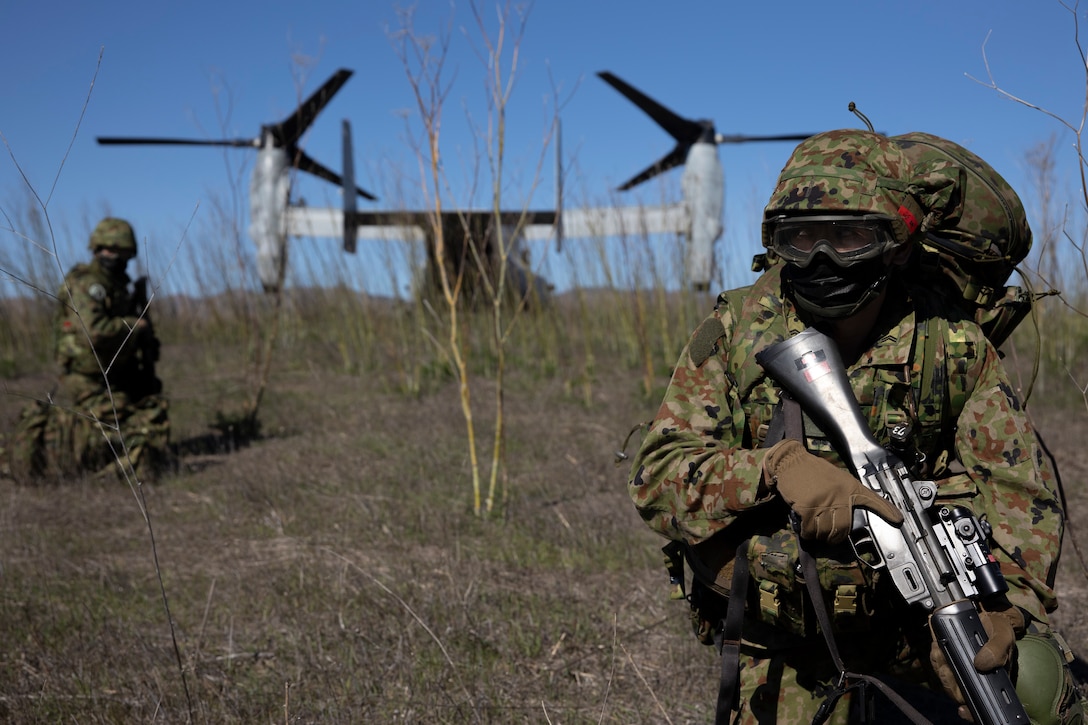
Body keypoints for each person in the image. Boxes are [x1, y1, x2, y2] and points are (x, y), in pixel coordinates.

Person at [628, 129, 1083, 723]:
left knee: (1039, 693)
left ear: (895, 243)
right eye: (800, 239)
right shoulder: (740, 329)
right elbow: (658, 472)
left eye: (850, 237)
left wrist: (1011, 606)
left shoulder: (949, 342)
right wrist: (773, 467)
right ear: (776, 242)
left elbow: (1020, 489)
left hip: (914, 620)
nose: (822, 260)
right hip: (786, 637)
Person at [10, 217, 170, 482]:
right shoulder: (88, 283)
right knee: (129, 436)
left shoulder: (117, 285)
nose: (117, 258)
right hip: (86, 380)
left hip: (113, 378)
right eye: (111, 250)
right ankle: (52, 453)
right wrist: (134, 326)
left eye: (122, 253)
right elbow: (92, 333)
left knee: (151, 414)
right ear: (98, 249)